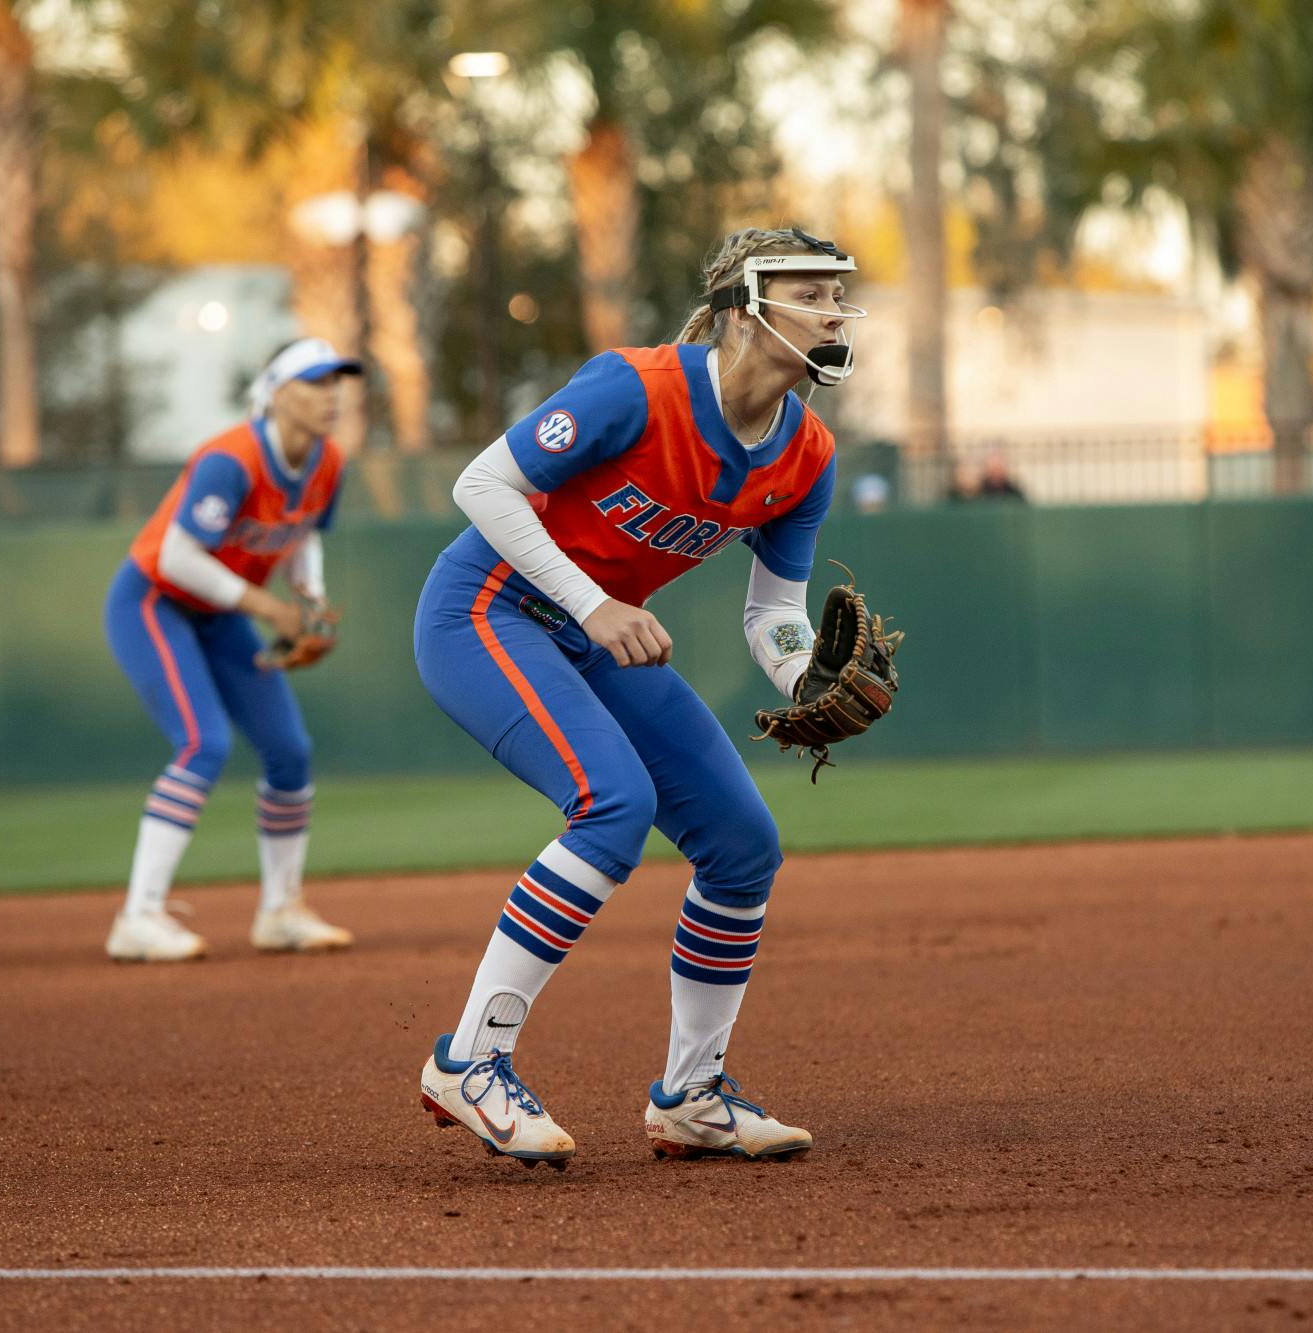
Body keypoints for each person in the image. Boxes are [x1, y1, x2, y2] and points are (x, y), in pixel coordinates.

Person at [413, 225, 865, 1167]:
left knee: (744, 846)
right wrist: (592, 601)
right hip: (487, 610)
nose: (833, 308)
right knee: (613, 804)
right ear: (747, 305)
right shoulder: (639, 387)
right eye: (811, 291)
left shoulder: (806, 453)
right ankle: (471, 1059)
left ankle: (693, 1095)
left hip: (598, 631)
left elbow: (775, 610)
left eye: (837, 292)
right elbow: (482, 482)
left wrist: (809, 676)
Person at [101, 337, 359, 962]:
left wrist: (308, 597)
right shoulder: (232, 459)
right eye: (315, 383)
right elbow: (174, 557)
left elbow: (301, 538)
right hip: (153, 602)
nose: (331, 396)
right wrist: (269, 607)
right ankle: (137, 916)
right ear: (274, 392)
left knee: (290, 752)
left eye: (336, 383)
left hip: (219, 613)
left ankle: (280, 911)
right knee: (203, 742)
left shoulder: (327, 463)